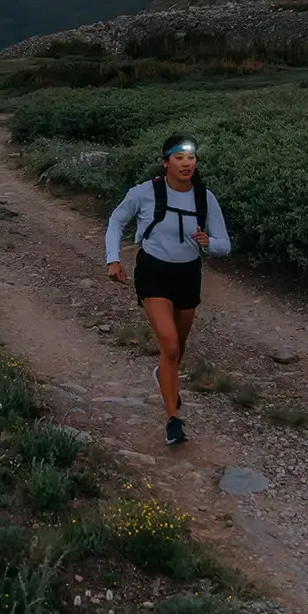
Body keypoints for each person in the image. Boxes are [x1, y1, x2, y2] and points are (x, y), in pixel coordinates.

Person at [105, 134, 231, 446]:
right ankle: (173, 419)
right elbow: (116, 221)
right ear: (165, 162)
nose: (187, 163)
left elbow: (224, 245)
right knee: (171, 345)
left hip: (188, 275)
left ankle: (165, 375)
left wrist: (208, 244)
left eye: (191, 158)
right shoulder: (144, 193)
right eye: (179, 157)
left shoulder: (205, 198)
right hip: (153, 272)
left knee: (178, 348)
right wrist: (113, 259)